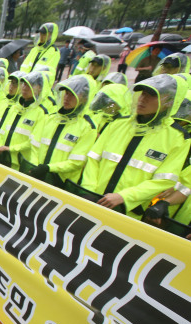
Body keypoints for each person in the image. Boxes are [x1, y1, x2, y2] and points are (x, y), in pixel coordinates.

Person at [80, 74, 189, 219]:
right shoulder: (118, 124)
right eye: (142, 93)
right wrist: (89, 190)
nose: (142, 99)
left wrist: (124, 197)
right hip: (92, 200)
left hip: (128, 212)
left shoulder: (178, 138)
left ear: (169, 101)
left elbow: (165, 180)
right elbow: (94, 158)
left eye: (152, 95)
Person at [28, 74, 97, 187]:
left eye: (73, 95)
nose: (66, 98)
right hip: (37, 175)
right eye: (66, 93)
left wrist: (49, 168)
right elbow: (35, 144)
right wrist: (36, 166)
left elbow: (77, 162)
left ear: (85, 98)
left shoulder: (88, 127)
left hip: (60, 184)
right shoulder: (50, 118)